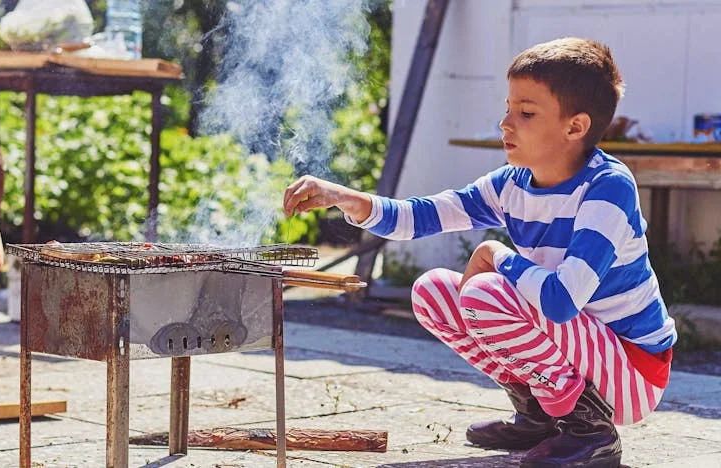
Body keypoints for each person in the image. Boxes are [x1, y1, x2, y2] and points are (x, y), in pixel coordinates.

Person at [282, 37, 676, 467]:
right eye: (508, 108)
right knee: (433, 290)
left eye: (526, 113)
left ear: (575, 127)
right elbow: (421, 216)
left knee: (487, 292)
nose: (506, 123)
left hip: (631, 370)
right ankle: (540, 413)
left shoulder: (607, 188)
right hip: (578, 352)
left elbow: (562, 301)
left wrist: (494, 252)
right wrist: (345, 197)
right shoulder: (513, 183)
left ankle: (591, 432)